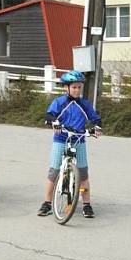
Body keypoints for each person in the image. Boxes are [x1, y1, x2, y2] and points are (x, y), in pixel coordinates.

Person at [37, 70, 102, 218]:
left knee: (83, 175)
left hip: (79, 140)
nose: (77, 90)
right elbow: (49, 115)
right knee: (53, 171)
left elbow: (96, 118)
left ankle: (86, 205)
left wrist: (97, 127)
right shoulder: (59, 102)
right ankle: (47, 203)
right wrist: (54, 122)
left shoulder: (84, 104)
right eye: (74, 87)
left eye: (79, 87)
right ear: (67, 88)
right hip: (61, 139)